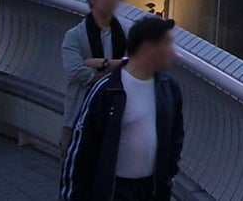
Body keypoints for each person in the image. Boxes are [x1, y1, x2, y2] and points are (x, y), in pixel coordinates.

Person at [62, 16, 185, 201]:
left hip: (151, 189)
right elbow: (81, 151)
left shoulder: (168, 87)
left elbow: (176, 135)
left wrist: (168, 174)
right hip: (114, 190)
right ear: (147, 48)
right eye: (166, 44)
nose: (173, 52)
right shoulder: (106, 90)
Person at [61, 0, 128, 152]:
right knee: (75, 168)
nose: (112, 0)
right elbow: (75, 72)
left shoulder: (124, 34)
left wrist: (98, 63)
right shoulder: (74, 35)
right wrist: (115, 69)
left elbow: (133, 65)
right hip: (78, 113)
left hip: (113, 113)